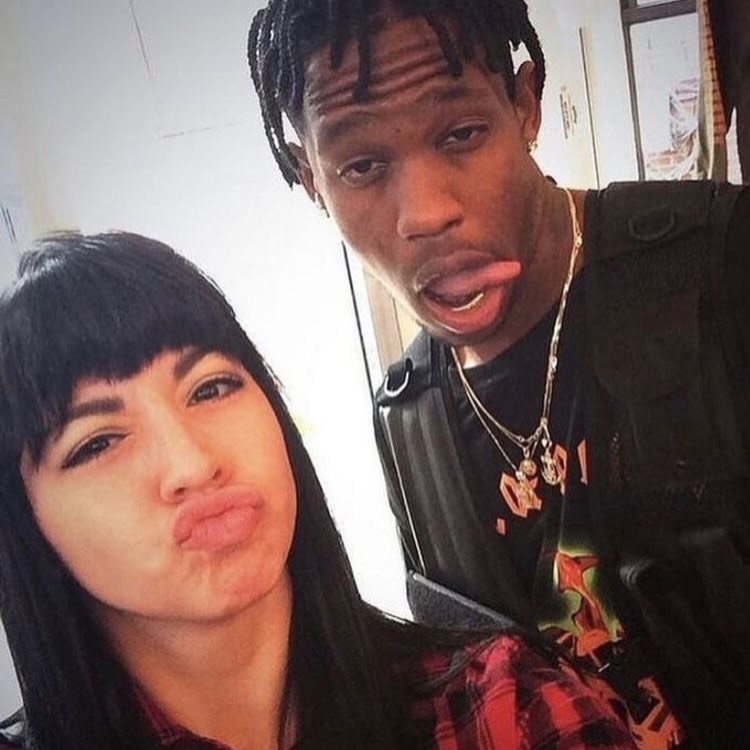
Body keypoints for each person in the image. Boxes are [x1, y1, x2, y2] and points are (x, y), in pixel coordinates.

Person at [246, 2, 750, 749]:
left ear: (525, 104)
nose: (426, 213)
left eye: (461, 133)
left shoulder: (721, 265)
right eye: (361, 166)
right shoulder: (407, 423)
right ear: (311, 179)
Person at [0, 232, 637, 750]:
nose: (192, 464)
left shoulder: (501, 710)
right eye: (97, 443)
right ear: (28, 521)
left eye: (211, 387)